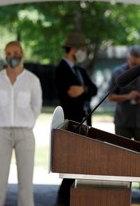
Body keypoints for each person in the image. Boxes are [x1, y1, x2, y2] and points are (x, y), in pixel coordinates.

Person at [0, 41, 42, 206]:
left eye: (15, 52)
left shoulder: (32, 80)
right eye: (8, 53)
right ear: (5, 55)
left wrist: (28, 122)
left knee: (26, 182)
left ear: (22, 54)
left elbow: (36, 107)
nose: (12, 56)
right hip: (2, 132)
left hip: (25, 134)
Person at [107, 45, 140, 200]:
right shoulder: (117, 73)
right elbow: (110, 97)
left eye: (138, 63)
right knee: (121, 155)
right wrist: (127, 96)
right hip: (123, 121)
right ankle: (121, 188)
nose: (135, 66)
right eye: (132, 63)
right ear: (127, 58)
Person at [54, 32, 98, 206]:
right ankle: (63, 199)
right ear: (73, 49)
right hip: (71, 121)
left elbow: (93, 89)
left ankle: (72, 197)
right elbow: (69, 95)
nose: (83, 52)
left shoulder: (79, 70)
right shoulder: (61, 69)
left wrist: (83, 89)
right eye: (82, 49)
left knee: (82, 162)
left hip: (85, 120)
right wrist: (81, 91)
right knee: (72, 163)